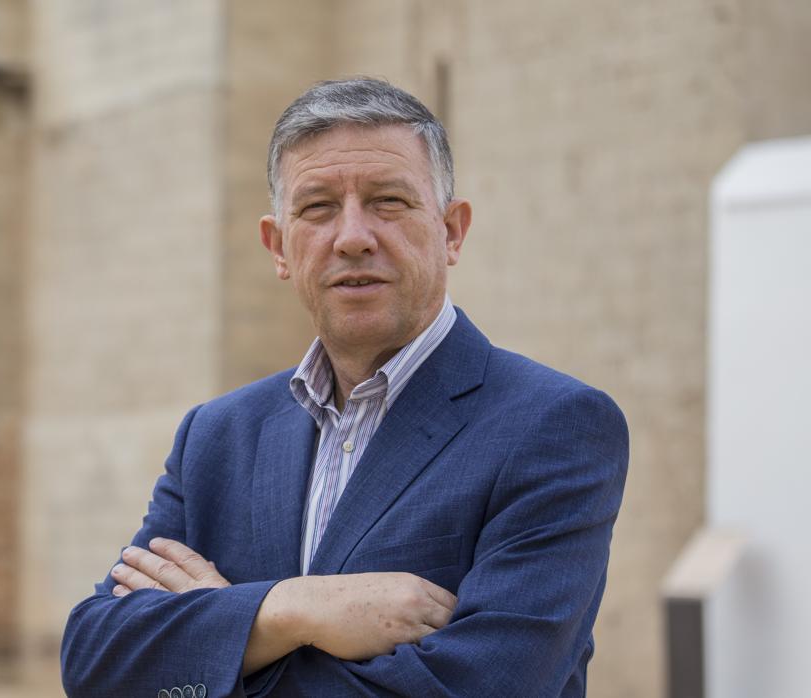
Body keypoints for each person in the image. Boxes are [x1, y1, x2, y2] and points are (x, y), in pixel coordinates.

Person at [60, 77, 628, 698]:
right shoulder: (217, 436)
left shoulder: (555, 425)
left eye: (388, 201)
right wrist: (293, 609)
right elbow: (96, 661)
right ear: (278, 247)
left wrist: (220, 641)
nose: (353, 236)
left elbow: (485, 686)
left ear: (452, 232)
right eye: (317, 208)